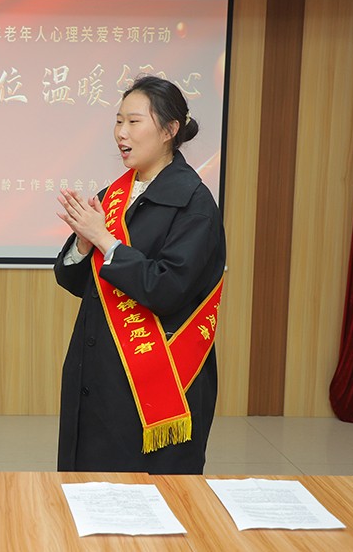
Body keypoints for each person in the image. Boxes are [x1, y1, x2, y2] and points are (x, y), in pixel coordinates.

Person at [54, 75, 226, 474]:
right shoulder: (112, 196)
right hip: (97, 370)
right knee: (91, 489)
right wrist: (84, 244)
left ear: (169, 130)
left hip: (156, 374)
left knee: (149, 495)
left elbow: (167, 287)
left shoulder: (194, 203)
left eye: (133, 122)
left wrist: (106, 241)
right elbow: (74, 281)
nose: (121, 133)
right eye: (118, 121)